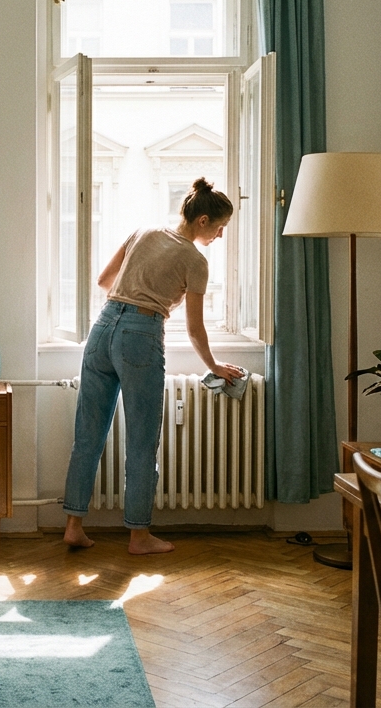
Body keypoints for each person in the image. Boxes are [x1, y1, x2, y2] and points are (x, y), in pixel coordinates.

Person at [62, 177, 246, 554]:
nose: (220, 235)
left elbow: (104, 280)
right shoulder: (195, 260)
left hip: (102, 327)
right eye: (220, 227)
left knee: (87, 436)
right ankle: (139, 536)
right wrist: (214, 365)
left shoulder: (143, 232)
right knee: (142, 441)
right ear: (203, 220)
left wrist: (133, 292)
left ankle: (73, 527)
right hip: (140, 335)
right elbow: (195, 328)